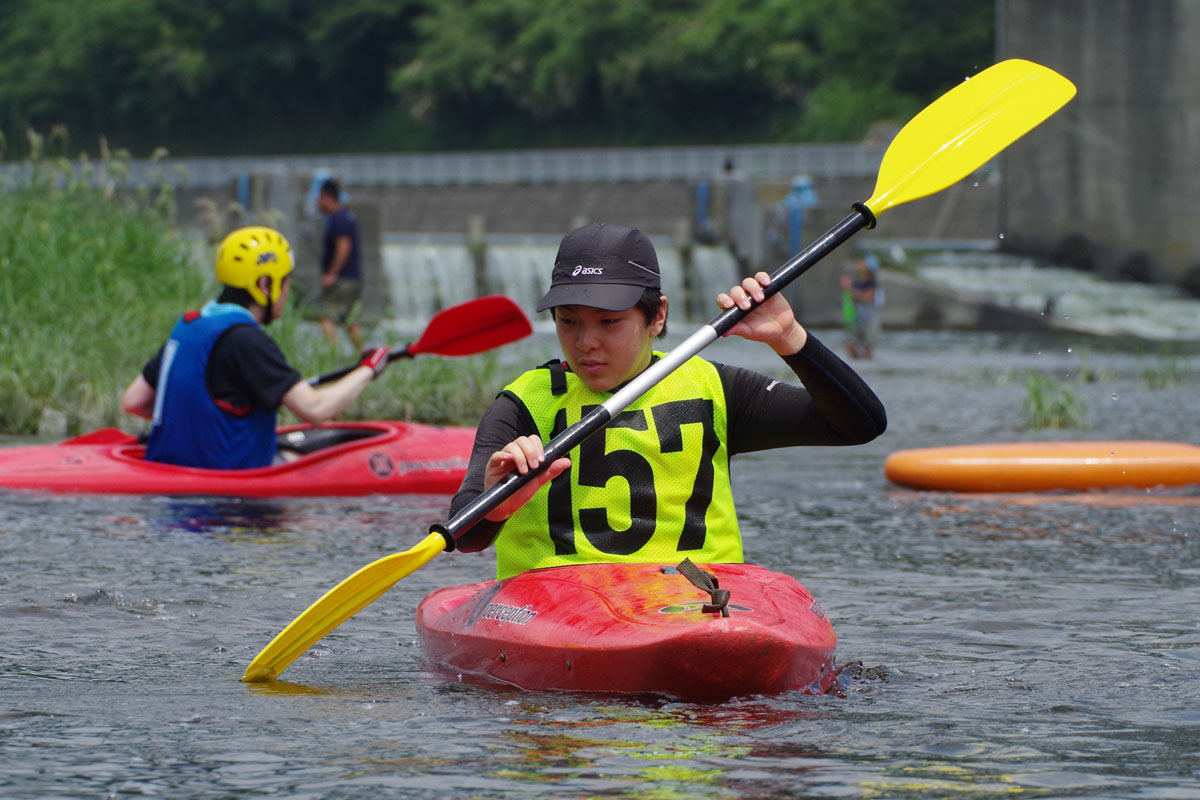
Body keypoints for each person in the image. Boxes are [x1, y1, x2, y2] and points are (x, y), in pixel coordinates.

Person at [448, 222, 887, 580]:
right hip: (563, 611)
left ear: (657, 316)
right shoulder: (525, 403)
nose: (585, 343)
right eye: (568, 321)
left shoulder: (716, 390)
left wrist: (791, 339)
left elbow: (859, 424)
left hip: (696, 601)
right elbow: (465, 535)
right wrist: (496, 502)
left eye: (609, 322)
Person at [121, 226, 391, 469]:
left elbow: (134, 401)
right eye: (285, 282)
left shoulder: (189, 326)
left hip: (171, 475)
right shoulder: (249, 341)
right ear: (265, 285)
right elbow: (316, 409)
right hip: (231, 490)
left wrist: (195, 425)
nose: (287, 293)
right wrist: (369, 368)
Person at [313, 178, 365, 349]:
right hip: (354, 278)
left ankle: (332, 357)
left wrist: (332, 274)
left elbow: (343, 246)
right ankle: (364, 356)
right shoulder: (348, 216)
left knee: (325, 315)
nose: (317, 202)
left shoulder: (338, 219)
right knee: (350, 320)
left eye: (319, 197)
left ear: (327, 197)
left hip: (342, 280)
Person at [840, 254, 882, 359]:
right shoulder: (857, 282)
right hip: (856, 317)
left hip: (869, 318)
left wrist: (850, 290)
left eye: (861, 263)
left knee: (868, 347)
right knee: (850, 344)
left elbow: (867, 298)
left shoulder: (872, 283)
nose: (857, 265)